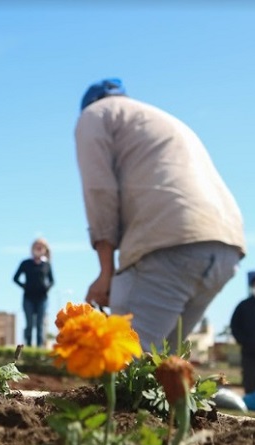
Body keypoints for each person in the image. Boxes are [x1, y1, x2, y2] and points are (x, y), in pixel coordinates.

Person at [75, 78, 246, 351]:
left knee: (124, 369)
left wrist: (105, 272)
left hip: (168, 245)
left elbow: (99, 190)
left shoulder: (95, 115)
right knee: (162, 371)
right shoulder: (160, 119)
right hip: (224, 245)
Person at [13, 238, 54, 347]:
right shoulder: (25, 263)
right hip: (28, 298)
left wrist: (46, 288)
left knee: (40, 324)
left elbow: (52, 281)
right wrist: (24, 286)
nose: (39, 248)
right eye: (37, 246)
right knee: (29, 324)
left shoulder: (47, 265)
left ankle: (39, 348)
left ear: (45, 249)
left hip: (42, 298)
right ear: (32, 248)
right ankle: (28, 346)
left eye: (41, 247)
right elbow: (15, 278)